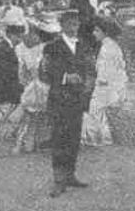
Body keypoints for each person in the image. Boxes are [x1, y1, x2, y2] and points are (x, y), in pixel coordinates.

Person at [42, 10, 94, 196]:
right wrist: (64, 77)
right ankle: (58, 179)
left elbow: (90, 69)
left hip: (77, 99)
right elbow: (45, 72)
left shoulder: (83, 45)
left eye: (76, 23)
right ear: (62, 25)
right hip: (59, 99)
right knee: (59, 139)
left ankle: (70, 174)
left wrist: (87, 89)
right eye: (70, 23)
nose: (74, 27)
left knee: (73, 137)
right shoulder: (52, 47)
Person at [82, 19, 126, 146]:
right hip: (112, 85)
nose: (94, 33)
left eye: (97, 31)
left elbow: (105, 72)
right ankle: (103, 139)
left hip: (106, 86)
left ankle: (96, 139)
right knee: (98, 114)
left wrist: (98, 85)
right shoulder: (112, 46)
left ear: (105, 32)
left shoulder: (107, 48)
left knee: (95, 112)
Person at [14, 25, 51, 154]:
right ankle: (23, 143)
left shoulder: (43, 50)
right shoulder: (24, 50)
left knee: (37, 116)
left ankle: (37, 141)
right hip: (33, 87)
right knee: (31, 115)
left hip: (41, 86)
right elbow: (28, 74)